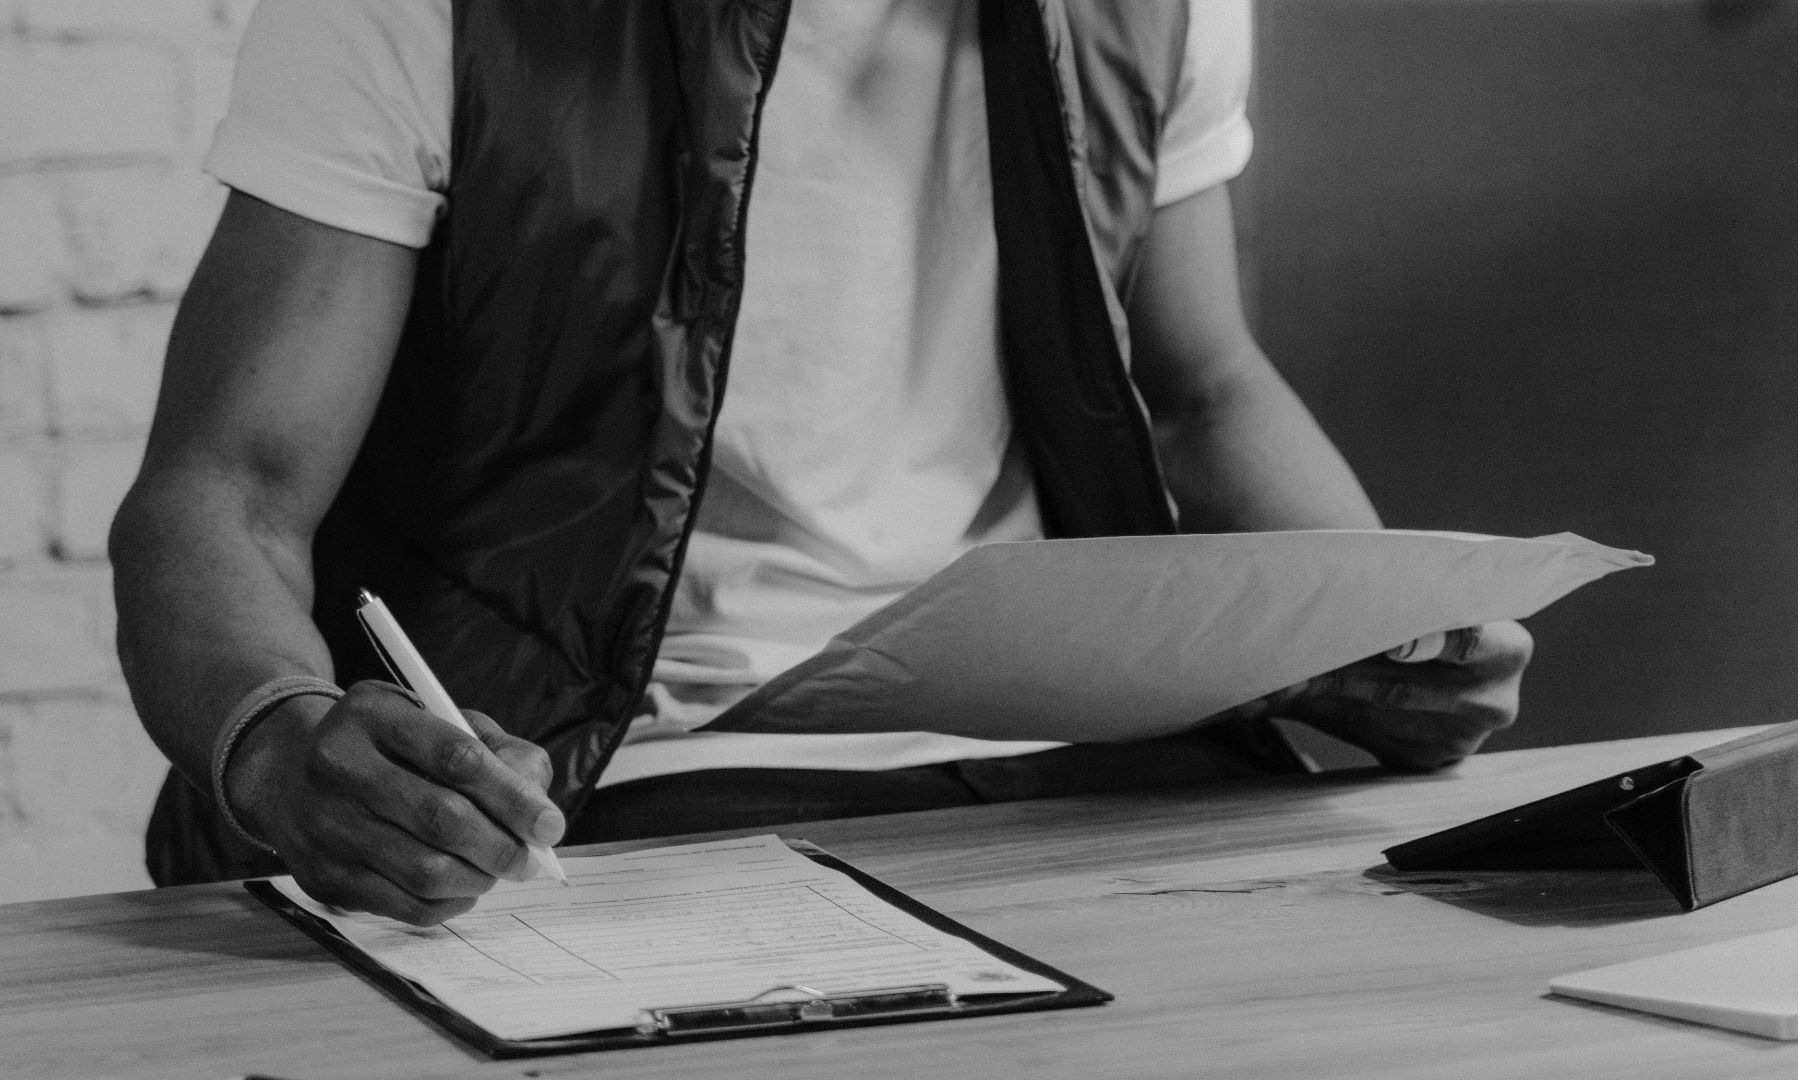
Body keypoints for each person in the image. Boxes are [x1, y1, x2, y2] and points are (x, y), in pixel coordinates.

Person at [110, 0, 1531, 926]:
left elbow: (1203, 391)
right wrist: (282, 743)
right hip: (626, 780)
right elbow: (223, 494)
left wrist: (1387, 631)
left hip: (1092, 765)